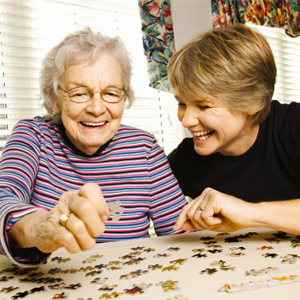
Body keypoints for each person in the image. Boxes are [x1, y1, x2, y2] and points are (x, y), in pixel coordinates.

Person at [0, 28, 187, 267]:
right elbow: (3, 198)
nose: (97, 109)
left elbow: (181, 234)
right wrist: (39, 227)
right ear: (54, 99)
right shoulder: (33, 136)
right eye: (79, 93)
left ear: (124, 98)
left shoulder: (145, 150)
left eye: (111, 93)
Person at [167, 24, 300, 235]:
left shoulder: (293, 126)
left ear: (253, 101)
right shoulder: (185, 160)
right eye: (182, 103)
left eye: (203, 105)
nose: (186, 120)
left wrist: (250, 214)